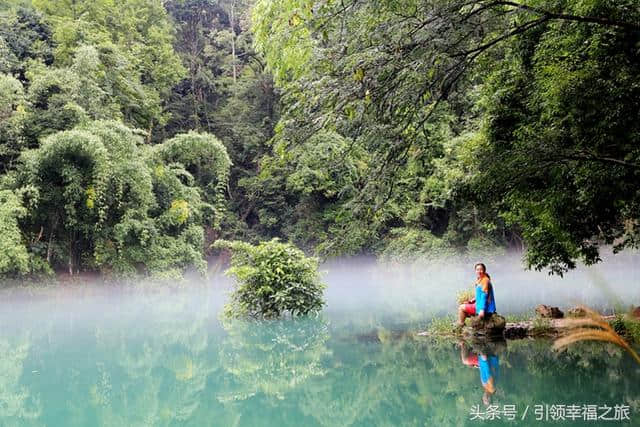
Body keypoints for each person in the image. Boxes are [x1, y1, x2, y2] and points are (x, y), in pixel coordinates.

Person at [456, 262, 497, 328]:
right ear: (475, 271)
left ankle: (461, 324)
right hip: (480, 304)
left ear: (484, 270)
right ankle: (463, 323)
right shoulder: (480, 279)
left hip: (486, 307)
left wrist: (482, 309)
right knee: (465, 305)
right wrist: (472, 301)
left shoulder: (485, 280)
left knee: (461, 307)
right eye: (477, 270)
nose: (479, 271)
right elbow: (480, 294)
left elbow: (484, 295)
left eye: (481, 269)